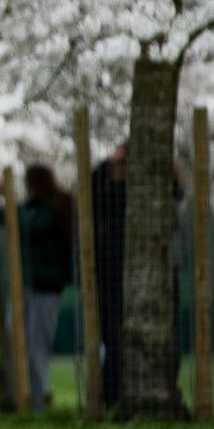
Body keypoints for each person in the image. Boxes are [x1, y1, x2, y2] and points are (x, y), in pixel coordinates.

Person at [18, 163, 75, 411]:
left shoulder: (53, 209)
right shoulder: (40, 208)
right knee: (22, 340)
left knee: (36, 348)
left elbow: (31, 226)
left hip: (46, 288)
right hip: (30, 286)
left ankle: (41, 400)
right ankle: (32, 396)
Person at [90, 147, 128, 409]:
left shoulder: (142, 188)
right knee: (112, 338)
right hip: (109, 273)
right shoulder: (102, 186)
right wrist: (107, 166)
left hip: (117, 271)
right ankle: (111, 395)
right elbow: (91, 195)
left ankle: (114, 395)